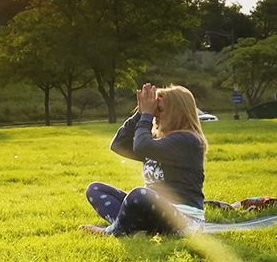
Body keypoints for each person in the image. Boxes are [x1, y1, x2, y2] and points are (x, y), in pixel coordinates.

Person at [84, 83, 208, 237]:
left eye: (159, 109)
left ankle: (114, 231)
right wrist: (140, 113)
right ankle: (129, 228)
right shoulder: (157, 141)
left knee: (140, 194)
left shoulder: (188, 140)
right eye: (154, 110)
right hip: (154, 212)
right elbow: (118, 145)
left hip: (185, 220)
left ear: (176, 112)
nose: (155, 115)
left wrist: (146, 116)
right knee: (95, 189)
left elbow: (142, 146)